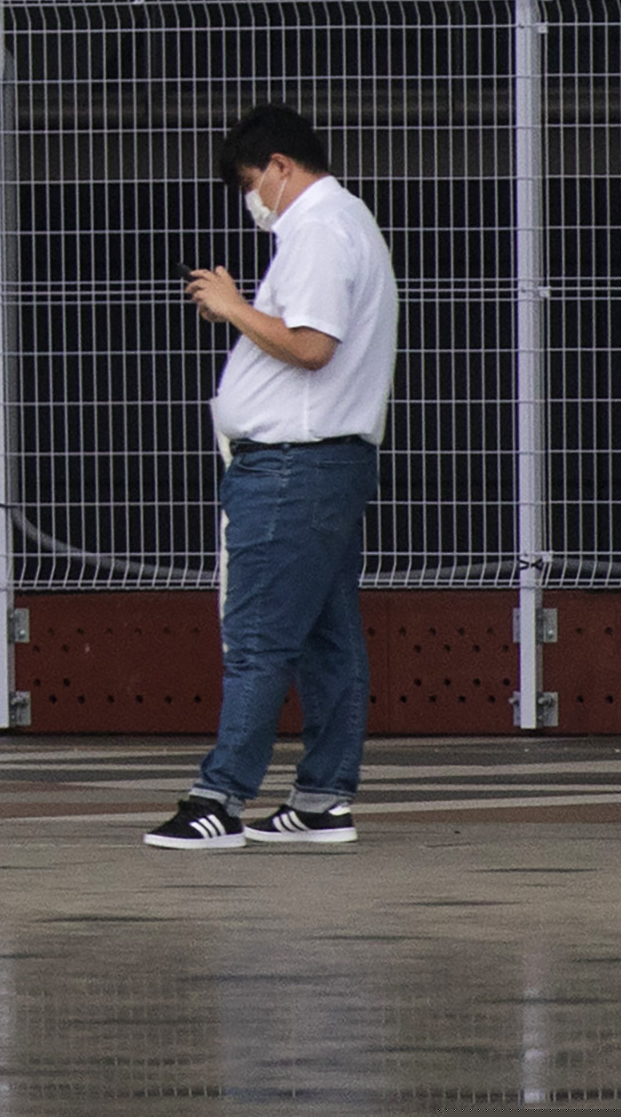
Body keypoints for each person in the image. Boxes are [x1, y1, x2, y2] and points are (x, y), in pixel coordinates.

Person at [144, 100, 398, 850]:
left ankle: (217, 798)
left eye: (254, 181)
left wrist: (232, 308)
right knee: (326, 638)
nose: (254, 201)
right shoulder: (349, 221)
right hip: (325, 462)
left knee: (258, 635)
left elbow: (313, 345)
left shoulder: (316, 229)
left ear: (281, 168)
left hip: (292, 464)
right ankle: (322, 799)